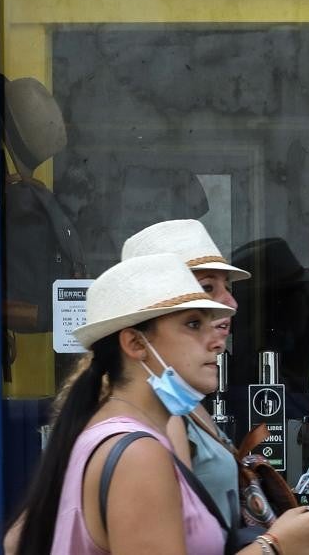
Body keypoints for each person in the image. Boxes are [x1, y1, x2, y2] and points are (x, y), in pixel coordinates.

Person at [9, 253, 309, 554]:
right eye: (193, 324)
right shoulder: (137, 454)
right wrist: (275, 546)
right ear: (136, 343)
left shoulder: (112, 432)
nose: (216, 339)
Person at [120, 218, 250, 526]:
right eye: (207, 288)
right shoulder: (158, 418)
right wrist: (276, 544)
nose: (230, 302)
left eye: (227, 288)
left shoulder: (180, 403)